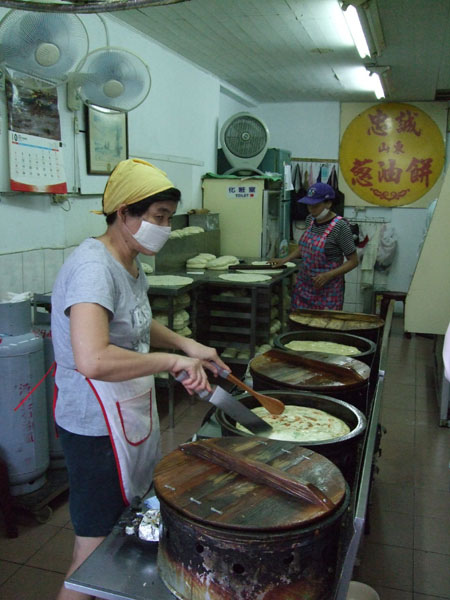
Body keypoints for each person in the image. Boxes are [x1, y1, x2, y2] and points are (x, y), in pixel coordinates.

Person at [51, 158, 228, 600]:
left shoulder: (130, 262)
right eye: (157, 217)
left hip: (124, 414)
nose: (164, 228)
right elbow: (92, 358)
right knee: (93, 553)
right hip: (95, 427)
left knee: (114, 537)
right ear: (122, 213)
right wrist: (170, 364)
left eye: (168, 218)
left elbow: (135, 321)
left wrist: (186, 346)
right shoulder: (94, 267)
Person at [269, 182, 358, 310]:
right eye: (308, 206)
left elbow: (353, 261)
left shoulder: (340, 227)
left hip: (328, 291)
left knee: (323, 326)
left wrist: (329, 275)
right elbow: (304, 247)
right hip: (304, 287)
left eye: (315, 206)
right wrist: (285, 260)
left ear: (328, 203)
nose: (311, 210)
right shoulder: (310, 220)